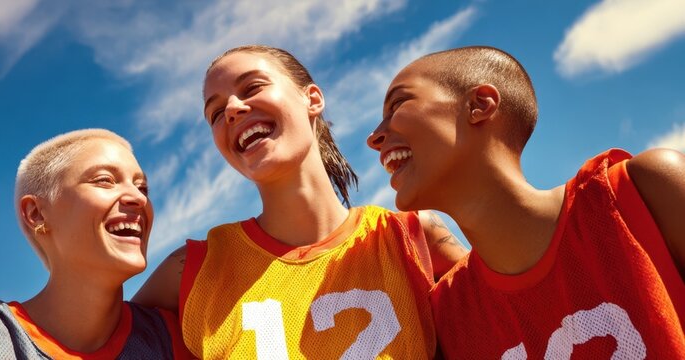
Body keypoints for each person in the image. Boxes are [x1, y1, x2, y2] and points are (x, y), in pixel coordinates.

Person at [132, 45, 468, 358]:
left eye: (251, 88)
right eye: (216, 112)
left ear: (313, 98)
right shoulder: (191, 270)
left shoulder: (412, 237)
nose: (232, 109)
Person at [366, 45, 685, 358]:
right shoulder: (447, 319)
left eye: (398, 104)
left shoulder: (639, 193)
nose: (374, 137)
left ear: (479, 105)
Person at [0, 129, 187, 359]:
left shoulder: (178, 339)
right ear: (36, 213)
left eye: (142, 187)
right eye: (104, 180)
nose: (138, 198)